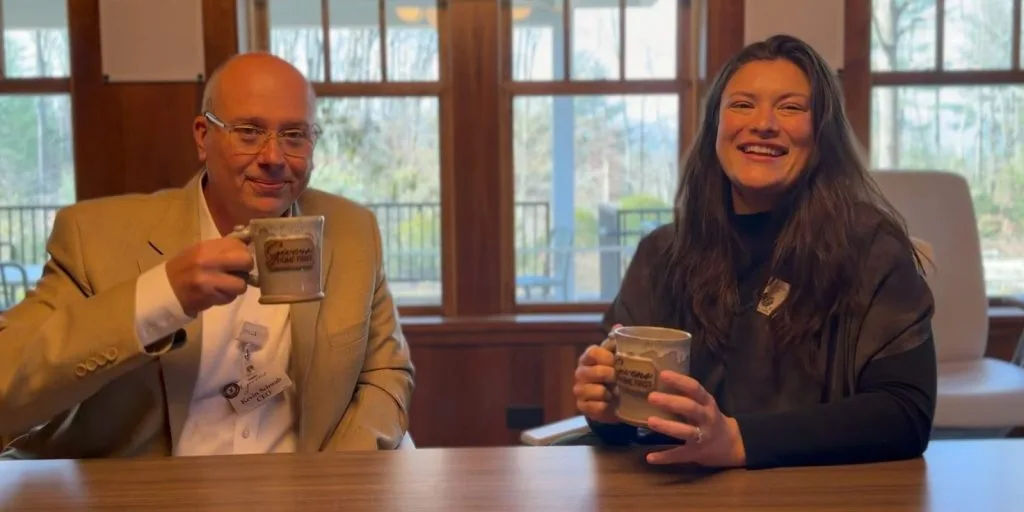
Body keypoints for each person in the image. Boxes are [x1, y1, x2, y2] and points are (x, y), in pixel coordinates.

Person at [0, 52, 414, 459]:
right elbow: (9, 384)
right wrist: (160, 297)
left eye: (294, 136)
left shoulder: (354, 232)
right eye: (249, 132)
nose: (273, 158)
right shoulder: (94, 237)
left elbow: (386, 375)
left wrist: (330, 483)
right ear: (203, 136)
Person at [572, 35, 936, 469]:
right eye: (742, 104)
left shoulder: (872, 249)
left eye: (791, 107)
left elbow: (905, 416)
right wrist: (607, 411)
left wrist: (739, 441)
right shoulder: (662, 253)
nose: (763, 123)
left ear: (822, 134)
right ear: (715, 129)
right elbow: (634, 418)